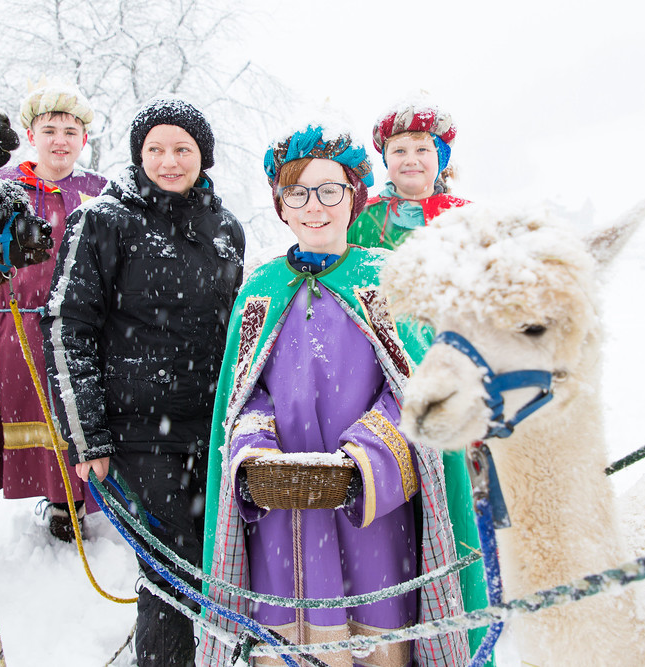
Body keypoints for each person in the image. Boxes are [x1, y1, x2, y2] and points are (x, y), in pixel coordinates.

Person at [199, 124, 483, 667]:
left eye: (330, 190)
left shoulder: (385, 280)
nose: (314, 206)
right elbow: (244, 396)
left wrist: (362, 466)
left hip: (372, 517)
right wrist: (254, 455)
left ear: (354, 198)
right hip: (280, 515)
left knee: (375, 638)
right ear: (281, 205)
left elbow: (412, 392)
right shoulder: (260, 289)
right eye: (297, 192)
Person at [42, 97, 245, 666]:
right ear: (138, 155)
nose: (169, 161)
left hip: (211, 427)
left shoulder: (225, 228)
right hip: (135, 431)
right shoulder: (103, 221)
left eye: (182, 149)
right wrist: (87, 437)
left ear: (203, 157)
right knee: (175, 563)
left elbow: (235, 329)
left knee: (217, 561)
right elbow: (67, 325)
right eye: (155, 149)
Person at [0, 82, 107, 542]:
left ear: (84, 139)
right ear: (31, 135)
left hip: (81, 325)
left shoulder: (98, 193)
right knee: (34, 409)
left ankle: (78, 498)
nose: (61, 140)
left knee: (76, 408)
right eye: (50, 130)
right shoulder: (1, 188)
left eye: (71, 132)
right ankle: (56, 498)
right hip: (17, 322)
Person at [346, 100, 469, 251]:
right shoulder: (358, 215)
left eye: (422, 149)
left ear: (440, 159)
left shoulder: (466, 216)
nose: (411, 160)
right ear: (386, 159)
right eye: (399, 151)